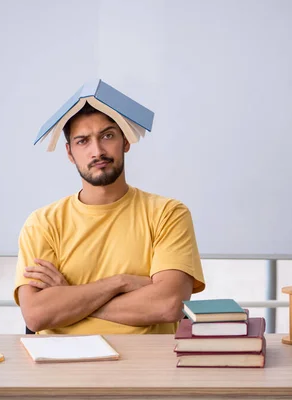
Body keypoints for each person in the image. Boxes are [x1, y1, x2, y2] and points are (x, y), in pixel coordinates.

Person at [13, 104, 206, 335]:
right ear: (69, 153)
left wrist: (72, 297)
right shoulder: (42, 223)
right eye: (82, 141)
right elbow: (36, 315)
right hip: (62, 365)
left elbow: (169, 305)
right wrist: (121, 283)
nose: (97, 151)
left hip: (147, 366)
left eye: (107, 136)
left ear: (125, 142)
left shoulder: (168, 214)